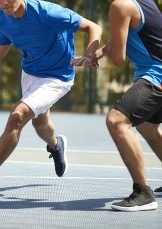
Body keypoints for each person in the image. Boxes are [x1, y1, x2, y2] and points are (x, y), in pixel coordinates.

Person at [0, 0, 102, 198]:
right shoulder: (3, 19)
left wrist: (90, 54)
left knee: (17, 116)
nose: (4, 2)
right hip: (30, 73)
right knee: (40, 123)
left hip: (57, 77)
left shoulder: (48, 13)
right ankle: (56, 145)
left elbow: (93, 26)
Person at [73, 0, 162, 211]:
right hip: (156, 74)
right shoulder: (143, 2)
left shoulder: (120, 5)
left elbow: (118, 59)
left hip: (155, 75)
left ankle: (143, 193)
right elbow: (123, 34)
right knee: (147, 127)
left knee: (116, 120)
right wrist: (96, 54)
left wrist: (101, 49)